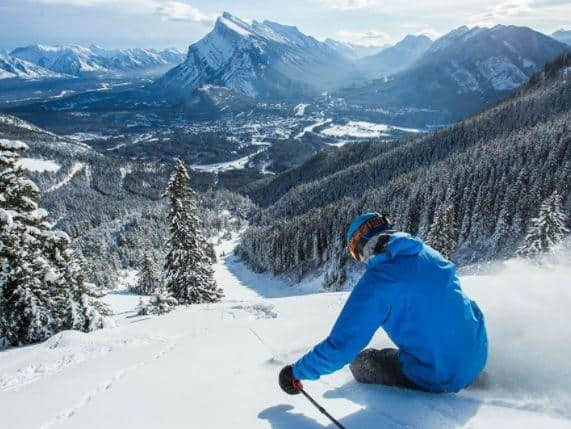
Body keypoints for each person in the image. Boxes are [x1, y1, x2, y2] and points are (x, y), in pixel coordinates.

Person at [279, 212, 487, 395]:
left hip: (440, 375)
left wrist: (295, 372)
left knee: (361, 361)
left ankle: (442, 373)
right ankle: (465, 368)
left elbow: (341, 346)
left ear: (360, 246)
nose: (358, 259)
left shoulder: (377, 282)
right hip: (478, 353)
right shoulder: (428, 253)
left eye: (354, 252)